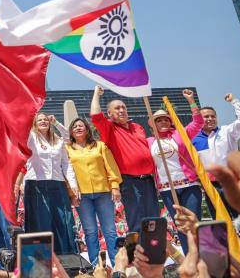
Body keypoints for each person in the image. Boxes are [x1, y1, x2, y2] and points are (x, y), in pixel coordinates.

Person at [90, 85, 158, 233]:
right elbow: (95, 115)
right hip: (129, 181)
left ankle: (155, 252)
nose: (122, 110)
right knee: (137, 220)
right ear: (109, 113)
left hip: (148, 180)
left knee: (155, 219)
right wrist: (96, 93)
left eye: (123, 107)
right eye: (117, 108)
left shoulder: (137, 127)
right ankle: (138, 253)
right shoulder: (109, 128)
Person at [56, 116, 121, 265]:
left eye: (81, 126)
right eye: (74, 127)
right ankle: (94, 265)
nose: (78, 128)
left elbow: (110, 167)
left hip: (103, 192)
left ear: (87, 129)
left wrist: (115, 186)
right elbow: (65, 171)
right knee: (90, 231)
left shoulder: (100, 146)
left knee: (110, 231)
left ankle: (117, 264)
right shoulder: (66, 149)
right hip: (81, 196)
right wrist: (71, 193)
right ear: (71, 132)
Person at [147, 89, 204, 254]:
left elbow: (198, 123)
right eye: (159, 120)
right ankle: (189, 260)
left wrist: (191, 100)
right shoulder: (149, 141)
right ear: (153, 124)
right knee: (180, 226)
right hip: (166, 189)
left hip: (189, 185)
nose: (163, 122)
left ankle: (201, 259)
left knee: (193, 224)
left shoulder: (181, 134)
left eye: (166, 119)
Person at [16, 112, 78, 255]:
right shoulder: (31, 138)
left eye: (45, 119)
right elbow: (20, 130)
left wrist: (56, 123)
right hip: (36, 184)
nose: (43, 121)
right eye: (40, 120)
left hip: (57, 184)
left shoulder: (57, 141)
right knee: (40, 222)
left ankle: (65, 256)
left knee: (62, 221)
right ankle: (40, 259)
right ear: (34, 124)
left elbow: (68, 141)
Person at [192, 93, 240, 217]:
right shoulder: (193, 140)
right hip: (210, 186)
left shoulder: (227, 131)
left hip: (232, 183)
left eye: (213, 116)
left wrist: (234, 101)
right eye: (206, 117)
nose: (210, 118)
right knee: (220, 220)